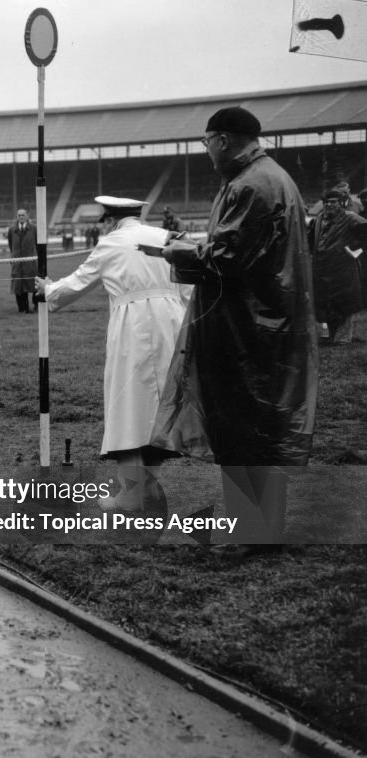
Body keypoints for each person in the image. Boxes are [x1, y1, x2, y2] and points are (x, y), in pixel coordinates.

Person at [148, 106, 318, 547]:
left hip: (249, 328)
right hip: (269, 321)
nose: (206, 152)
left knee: (242, 425)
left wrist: (176, 253)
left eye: (206, 143)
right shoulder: (272, 176)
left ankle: (255, 532)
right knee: (260, 426)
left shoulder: (249, 184)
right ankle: (262, 527)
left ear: (222, 139)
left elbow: (227, 258)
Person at [35, 196, 190, 514]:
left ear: (111, 219)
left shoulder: (110, 244)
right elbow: (191, 285)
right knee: (161, 407)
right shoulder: (167, 237)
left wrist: (48, 289)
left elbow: (77, 282)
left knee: (129, 407)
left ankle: (131, 495)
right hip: (172, 323)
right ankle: (146, 487)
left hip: (132, 327)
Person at [309, 188, 367, 344]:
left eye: (333, 202)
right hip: (321, 268)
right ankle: (327, 335)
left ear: (340, 203)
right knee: (323, 303)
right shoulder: (319, 219)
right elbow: (310, 239)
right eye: (326, 202)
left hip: (343, 268)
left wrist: (355, 248)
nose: (329, 205)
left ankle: (343, 337)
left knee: (344, 302)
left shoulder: (351, 218)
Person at [7, 209, 38, 313]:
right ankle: (22, 308)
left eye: (23, 215)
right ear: (17, 217)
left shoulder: (34, 228)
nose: (21, 217)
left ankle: (37, 305)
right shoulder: (12, 230)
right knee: (18, 286)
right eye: (19, 215)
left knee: (35, 285)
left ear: (27, 216)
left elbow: (38, 245)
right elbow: (11, 245)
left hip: (31, 262)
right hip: (17, 263)